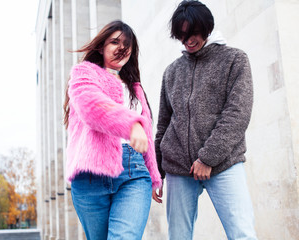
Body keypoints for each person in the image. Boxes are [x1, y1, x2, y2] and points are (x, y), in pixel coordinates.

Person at [152, 1, 258, 239]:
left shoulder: (234, 60)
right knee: (178, 236)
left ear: (206, 27)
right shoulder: (171, 72)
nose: (188, 40)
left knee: (242, 233)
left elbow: (237, 113)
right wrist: (157, 171)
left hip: (224, 164)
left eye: (193, 33)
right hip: (178, 168)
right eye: (181, 35)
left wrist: (208, 157)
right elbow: (163, 124)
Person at [63, 20, 162, 240]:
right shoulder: (83, 74)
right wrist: (130, 125)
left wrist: (154, 176)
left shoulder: (136, 88)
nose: (121, 48)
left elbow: (146, 136)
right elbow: (91, 105)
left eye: (127, 45)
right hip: (90, 177)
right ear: (101, 46)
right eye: (114, 42)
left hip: (133, 174)